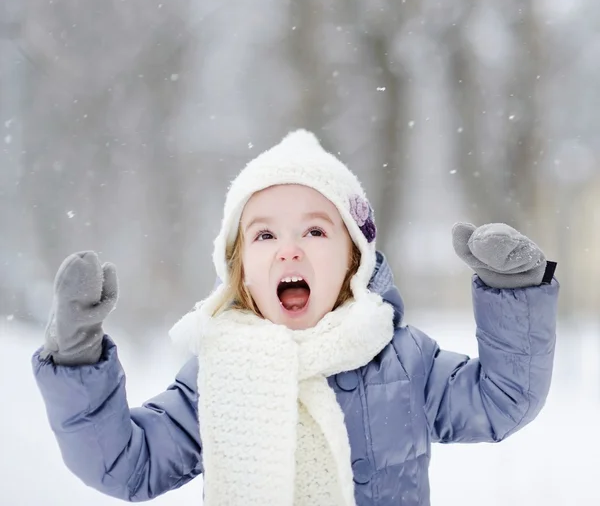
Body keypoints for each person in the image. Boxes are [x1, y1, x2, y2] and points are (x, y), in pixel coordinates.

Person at [32, 129, 559, 506]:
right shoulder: (219, 372)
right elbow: (127, 464)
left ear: (354, 259)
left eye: (314, 232)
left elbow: (502, 400)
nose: (289, 251)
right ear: (239, 271)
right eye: (264, 235)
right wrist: (77, 358)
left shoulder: (400, 360)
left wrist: (514, 292)